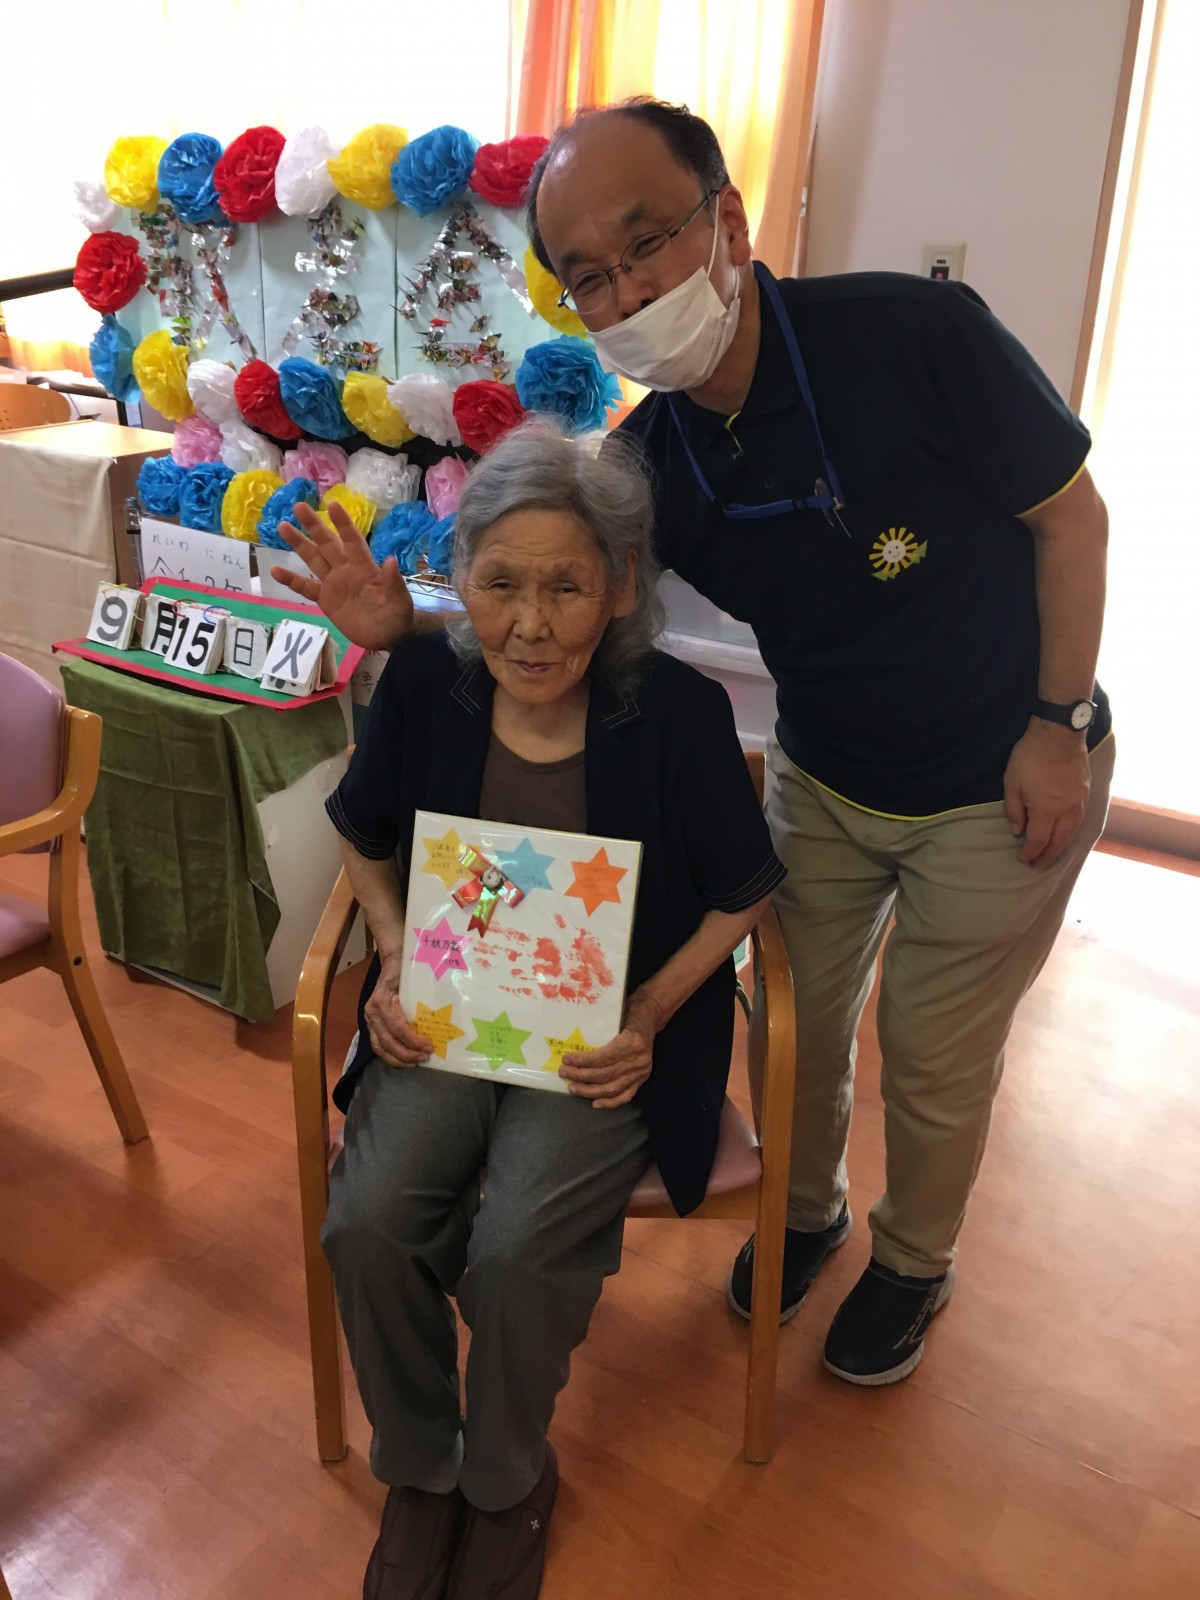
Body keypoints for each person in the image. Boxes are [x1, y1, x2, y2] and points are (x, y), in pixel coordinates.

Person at [276, 98, 1114, 1391]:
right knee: (800, 1024)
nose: (626, 292)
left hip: (1004, 766)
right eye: (588, 277)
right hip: (827, 776)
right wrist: (412, 627)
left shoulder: (913, 334)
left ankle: (913, 1259)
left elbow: (1074, 522)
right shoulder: (649, 459)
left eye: (646, 243)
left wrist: (1059, 727)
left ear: (727, 219)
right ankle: (806, 1212)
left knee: (932, 1053)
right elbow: (546, 607)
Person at [311, 421, 784, 1600]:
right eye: (501, 583)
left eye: (566, 587)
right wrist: (389, 954)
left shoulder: (676, 712)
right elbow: (363, 832)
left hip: (601, 1036)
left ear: (618, 586)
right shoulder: (428, 680)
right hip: (446, 1013)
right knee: (366, 1221)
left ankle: (505, 1479)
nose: (530, 624)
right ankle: (422, 1468)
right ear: (461, 578)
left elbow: (743, 892)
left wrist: (651, 1014)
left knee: (518, 1251)